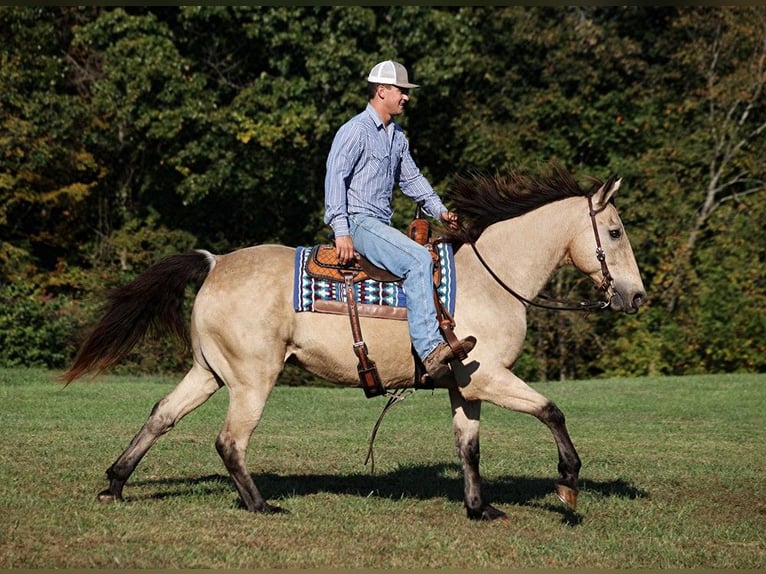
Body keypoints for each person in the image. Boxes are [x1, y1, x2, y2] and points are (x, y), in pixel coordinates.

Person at [324, 60, 476, 380]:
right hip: (359, 223)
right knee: (419, 259)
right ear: (382, 91)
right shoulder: (355, 131)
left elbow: (412, 180)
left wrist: (440, 210)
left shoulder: (397, 136)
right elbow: (335, 178)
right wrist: (341, 231)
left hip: (379, 224)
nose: (406, 97)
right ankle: (431, 351)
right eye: (401, 91)